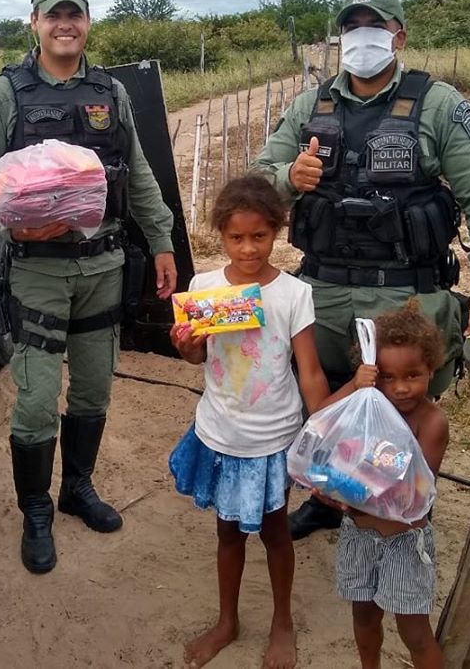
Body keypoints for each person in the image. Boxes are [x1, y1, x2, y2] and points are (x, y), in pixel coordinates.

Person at [250, 0, 470, 539]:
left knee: (402, 411)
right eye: (353, 26)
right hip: (322, 289)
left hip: (405, 293)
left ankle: (400, 512)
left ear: (399, 35)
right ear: (340, 37)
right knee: (324, 405)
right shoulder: (310, 105)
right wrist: (286, 179)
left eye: (375, 25)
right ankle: (327, 502)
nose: (362, 35)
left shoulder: (438, 103)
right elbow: (257, 179)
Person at [0, 0, 178, 574]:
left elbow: (136, 174)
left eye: (74, 13)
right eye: (53, 14)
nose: (64, 24)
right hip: (39, 273)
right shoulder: (6, 95)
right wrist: (11, 228)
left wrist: (161, 243)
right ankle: (36, 509)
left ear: (87, 21)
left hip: (105, 266)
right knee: (34, 399)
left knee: (93, 387)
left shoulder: (111, 92)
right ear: (34, 21)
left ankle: (76, 489)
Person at [168, 174, 331, 669]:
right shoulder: (204, 289)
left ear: (277, 232)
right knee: (227, 533)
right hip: (219, 432)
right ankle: (227, 621)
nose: (247, 249)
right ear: (220, 235)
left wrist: (324, 436)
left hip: (272, 439)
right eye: (236, 238)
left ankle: (282, 622)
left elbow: (310, 371)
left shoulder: (293, 294)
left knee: (276, 532)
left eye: (259, 236)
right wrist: (187, 348)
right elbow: (199, 359)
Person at [309, 300, 449, 669]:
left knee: (415, 632)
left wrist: (343, 493)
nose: (401, 388)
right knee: (364, 618)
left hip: (404, 541)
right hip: (359, 535)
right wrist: (356, 387)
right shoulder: (366, 407)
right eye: (387, 377)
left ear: (431, 370)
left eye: (412, 375)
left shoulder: (431, 423)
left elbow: (412, 493)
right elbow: (321, 420)